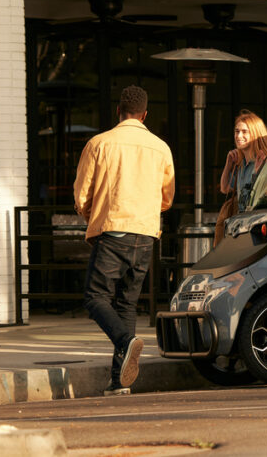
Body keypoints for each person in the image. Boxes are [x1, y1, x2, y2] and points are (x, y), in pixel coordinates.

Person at [74, 85, 175, 396]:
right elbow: (167, 198)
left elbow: (82, 195)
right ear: (145, 115)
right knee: (127, 303)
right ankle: (120, 381)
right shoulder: (160, 147)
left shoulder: (99, 143)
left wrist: (93, 214)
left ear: (118, 111)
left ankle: (125, 340)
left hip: (113, 228)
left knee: (95, 298)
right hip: (145, 233)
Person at [220, 110, 267, 213]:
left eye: (244, 132)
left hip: (259, 223)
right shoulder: (242, 165)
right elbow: (225, 188)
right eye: (237, 131)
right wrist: (228, 164)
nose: (239, 136)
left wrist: (258, 175)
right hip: (244, 223)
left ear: (256, 134)